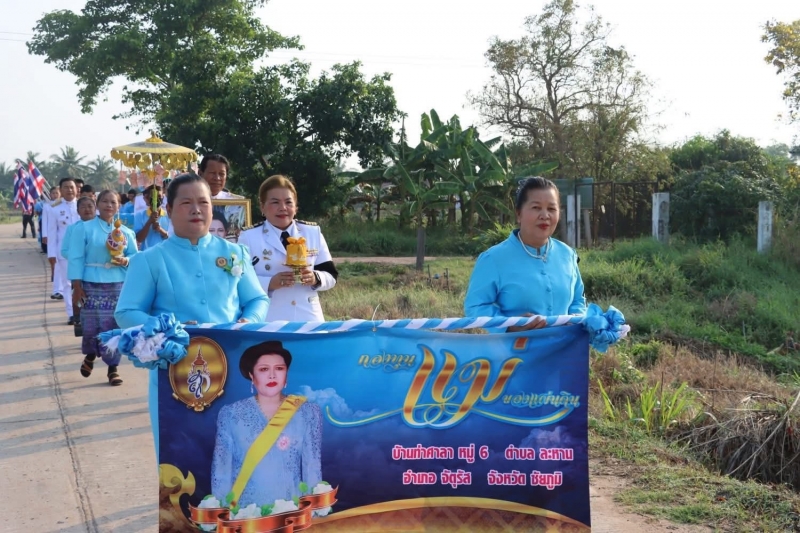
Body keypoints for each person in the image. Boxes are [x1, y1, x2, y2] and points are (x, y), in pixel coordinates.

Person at [115, 172, 269, 453]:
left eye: (203, 202)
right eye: (186, 203)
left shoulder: (235, 253)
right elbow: (126, 312)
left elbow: (257, 299)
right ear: (169, 209)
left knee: (238, 451)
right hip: (176, 373)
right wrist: (167, 330)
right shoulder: (150, 260)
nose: (196, 210)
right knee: (181, 455)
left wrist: (248, 321)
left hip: (234, 366)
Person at [464, 177, 585, 331]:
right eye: (536, 207)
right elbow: (475, 306)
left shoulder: (567, 255)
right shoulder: (494, 259)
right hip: (516, 346)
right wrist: (509, 326)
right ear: (519, 214)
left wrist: (576, 319)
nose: (545, 215)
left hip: (566, 344)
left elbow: (578, 300)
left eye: (551, 209)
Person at [211, 340, 321, 507]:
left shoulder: (307, 412)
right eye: (263, 369)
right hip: (244, 513)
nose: (272, 376)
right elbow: (221, 472)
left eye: (279, 368)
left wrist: (314, 512)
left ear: (286, 373)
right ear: (251, 375)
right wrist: (220, 513)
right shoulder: (231, 414)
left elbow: (312, 469)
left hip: (291, 512)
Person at [238, 175, 338, 322]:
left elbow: (331, 275)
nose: (283, 208)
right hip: (269, 318)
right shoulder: (249, 237)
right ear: (262, 207)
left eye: (288, 202)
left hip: (308, 318)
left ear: (296, 207)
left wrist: (315, 278)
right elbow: (240, 281)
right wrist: (270, 283)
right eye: (275, 202)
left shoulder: (312, 233)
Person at [68, 191, 137, 385]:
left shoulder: (126, 232)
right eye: (105, 201)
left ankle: (113, 369)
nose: (109, 205)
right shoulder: (84, 229)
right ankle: (90, 354)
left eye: (113, 202)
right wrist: (76, 286)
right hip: (91, 284)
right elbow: (76, 257)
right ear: (97, 204)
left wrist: (126, 260)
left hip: (118, 285)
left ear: (119, 206)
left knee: (114, 326)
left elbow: (135, 255)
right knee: (91, 325)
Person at [46, 177, 80, 324]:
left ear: (76, 189)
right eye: (66, 187)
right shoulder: (55, 208)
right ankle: (72, 313)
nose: (69, 190)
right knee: (67, 284)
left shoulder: (84, 205)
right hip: (64, 251)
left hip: (83, 251)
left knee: (83, 282)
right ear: (61, 190)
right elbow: (52, 233)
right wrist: (51, 254)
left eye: (72, 187)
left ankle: (83, 312)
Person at [61, 196, 99, 324]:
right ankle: (78, 319)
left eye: (90, 206)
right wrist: (78, 258)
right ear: (77, 211)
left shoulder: (102, 226)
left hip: (98, 270)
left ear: (95, 208)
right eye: (83, 207)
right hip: (79, 270)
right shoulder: (72, 228)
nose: (87, 209)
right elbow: (64, 250)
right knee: (79, 297)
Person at [134, 184, 170, 250]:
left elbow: (172, 238)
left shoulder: (168, 215)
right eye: (153, 196)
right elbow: (139, 239)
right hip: (146, 253)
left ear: (163, 197)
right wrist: (149, 221)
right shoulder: (140, 216)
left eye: (159, 196)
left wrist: (160, 230)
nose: (156, 199)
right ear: (147, 198)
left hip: (164, 253)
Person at [41, 186, 61, 285]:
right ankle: (53, 273)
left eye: (57, 193)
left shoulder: (63, 204)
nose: (55, 195)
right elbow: (44, 221)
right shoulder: (47, 206)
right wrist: (44, 235)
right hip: (51, 234)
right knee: (52, 256)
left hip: (61, 234)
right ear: (50, 194)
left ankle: (60, 275)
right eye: (53, 193)